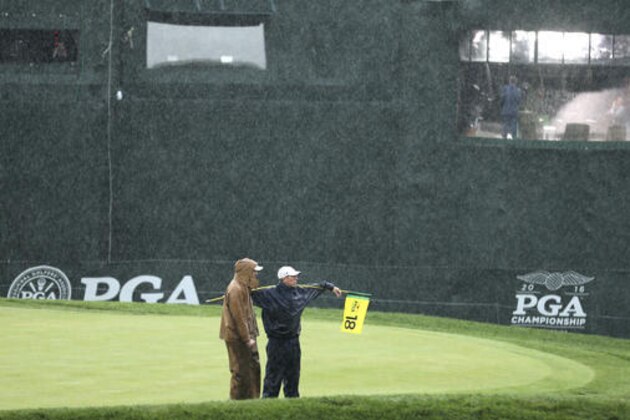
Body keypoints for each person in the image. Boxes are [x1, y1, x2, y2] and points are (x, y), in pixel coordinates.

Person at [251, 266, 342, 398]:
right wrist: (234, 294)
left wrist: (331, 287)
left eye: (295, 276)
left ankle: (292, 403)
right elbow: (247, 295)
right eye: (292, 277)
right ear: (283, 279)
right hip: (276, 342)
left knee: (293, 376)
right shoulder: (268, 294)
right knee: (273, 377)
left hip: (293, 342)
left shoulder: (300, 292)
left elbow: (317, 287)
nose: (296, 278)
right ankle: (269, 404)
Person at [219, 258, 263, 400]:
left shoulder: (244, 287)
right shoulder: (235, 289)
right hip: (237, 338)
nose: (256, 275)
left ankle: (251, 400)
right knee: (240, 373)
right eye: (254, 272)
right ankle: (236, 403)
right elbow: (239, 318)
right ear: (246, 272)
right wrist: (247, 338)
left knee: (252, 369)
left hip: (246, 336)